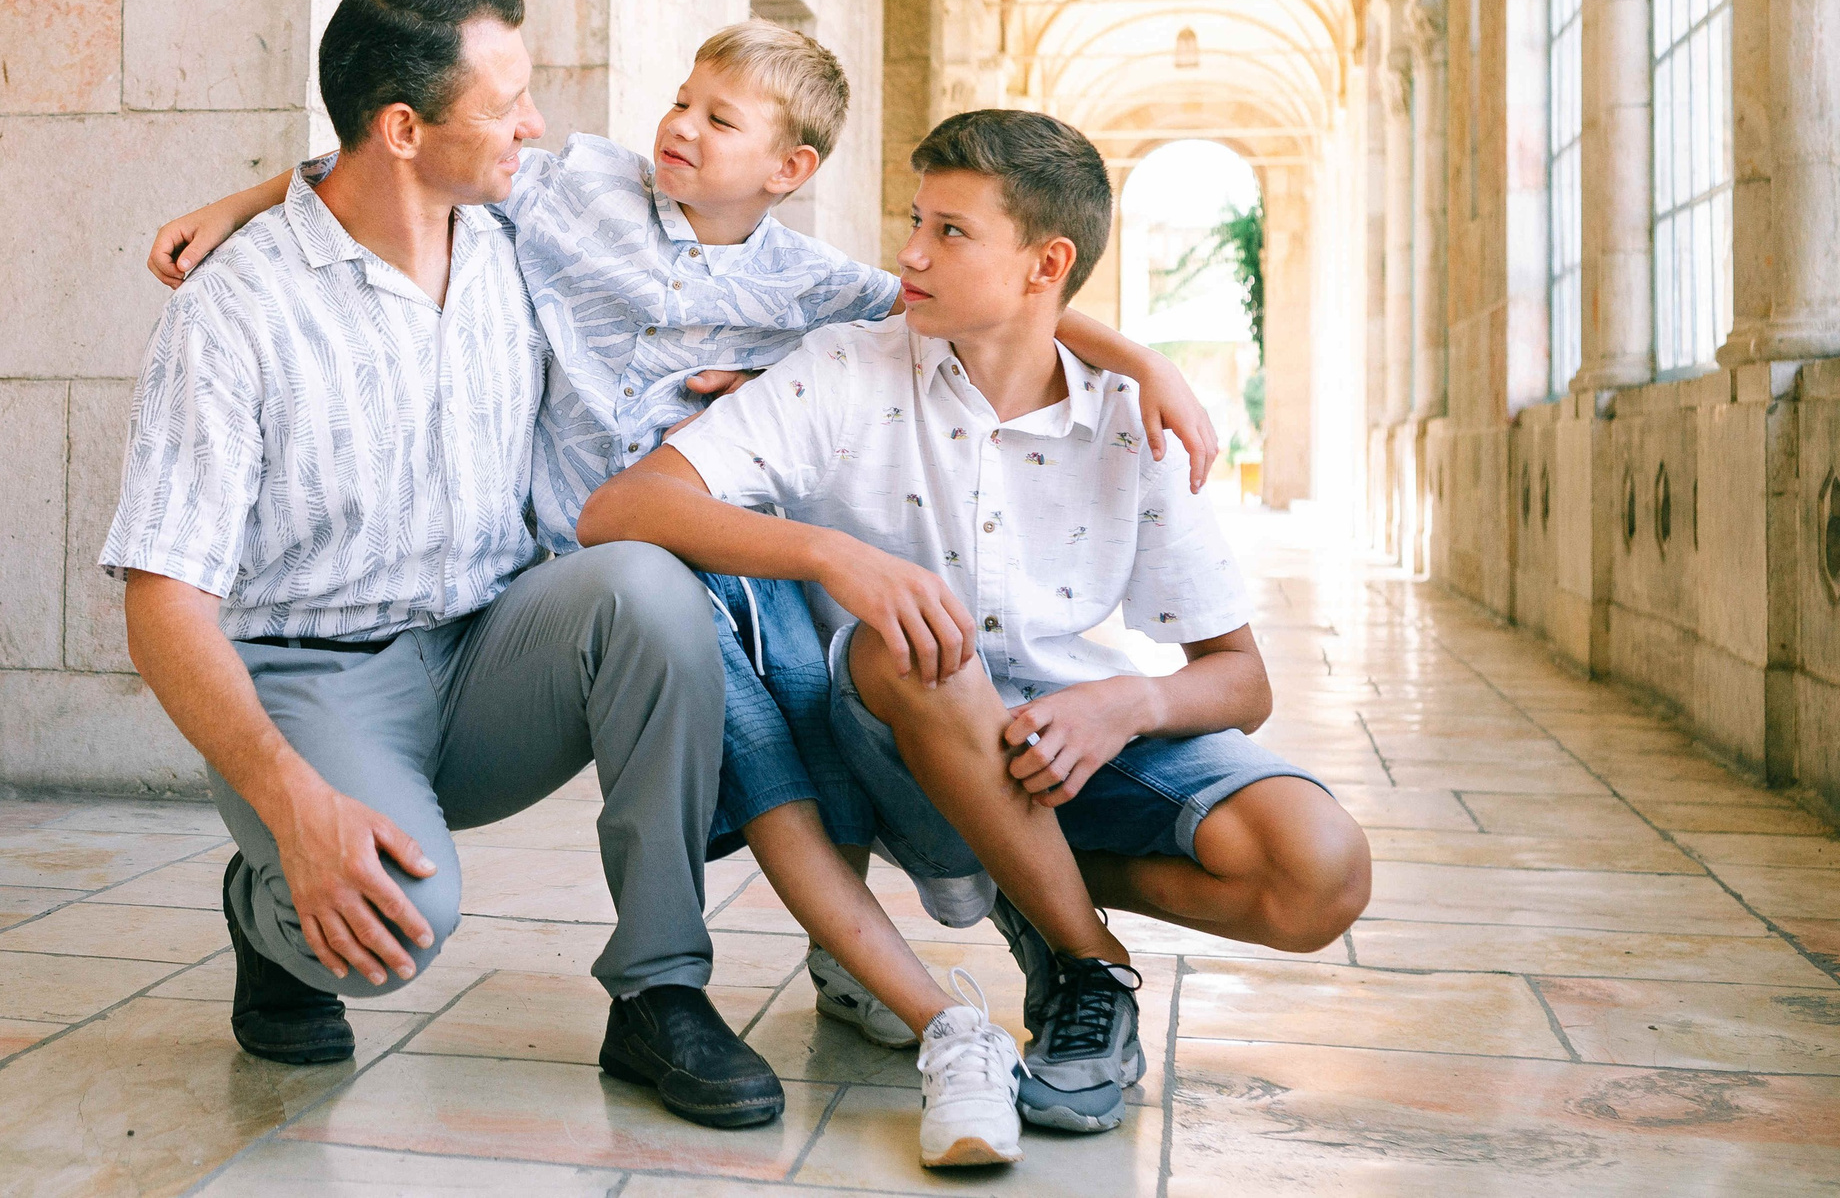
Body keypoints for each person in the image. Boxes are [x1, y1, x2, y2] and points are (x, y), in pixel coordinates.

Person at [153, 27, 1220, 1168]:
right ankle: (268, 917)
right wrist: (244, 201)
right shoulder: (574, 186)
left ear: (788, 171)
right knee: (410, 906)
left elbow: (986, 295)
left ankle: (667, 989)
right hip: (505, 586)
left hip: (593, 594)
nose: (679, 127)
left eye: (720, 120)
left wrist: (1143, 363)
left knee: (763, 671)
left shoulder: (806, 282)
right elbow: (395, 150)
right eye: (682, 101)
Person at [579, 107, 1372, 1145]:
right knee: (920, 644)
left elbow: (1238, 677)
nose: (909, 252)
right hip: (885, 753)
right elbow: (620, 510)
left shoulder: (1131, 423)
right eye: (916, 220)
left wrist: (1122, 705)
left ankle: (1022, 878)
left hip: (1060, 756)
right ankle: (1087, 966)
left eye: (949, 232)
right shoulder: (846, 368)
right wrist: (837, 556)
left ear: (1046, 264)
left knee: (1319, 870)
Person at [103, 0, 782, 1130]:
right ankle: (267, 913)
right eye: (505, 103)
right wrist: (295, 805)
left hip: (487, 654)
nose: (536, 124)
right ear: (405, 128)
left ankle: (660, 989)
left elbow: (752, 281)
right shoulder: (233, 312)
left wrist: (769, 373)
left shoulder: (519, 239)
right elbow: (162, 599)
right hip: (311, 681)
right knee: (390, 938)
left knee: (647, 591)